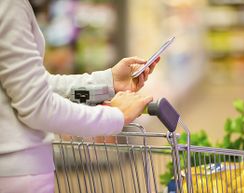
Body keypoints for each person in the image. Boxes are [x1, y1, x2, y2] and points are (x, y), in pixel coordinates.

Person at [0, 0, 160, 192]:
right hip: (17, 172)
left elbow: (42, 88)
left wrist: (107, 82)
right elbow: (38, 106)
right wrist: (115, 115)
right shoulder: (10, 5)